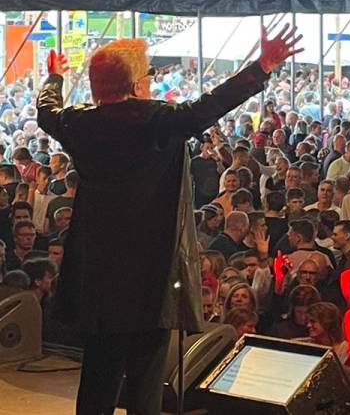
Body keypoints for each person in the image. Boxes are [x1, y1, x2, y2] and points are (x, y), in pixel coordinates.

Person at [37, 25, 300, 415]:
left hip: (99, 271)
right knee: (147, 381)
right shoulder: (154, 120)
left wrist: (54, 77)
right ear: (136, 84)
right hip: (152, 272)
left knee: (98, 377)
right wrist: (261, 66)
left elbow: (47, 112)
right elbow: (210, 105)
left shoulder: (78, 123)